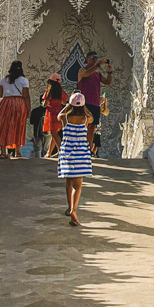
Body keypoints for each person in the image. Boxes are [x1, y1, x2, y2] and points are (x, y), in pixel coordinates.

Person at [57, 92, 93, 225]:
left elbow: (58, 115)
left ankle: (69, 207)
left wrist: (67, 106)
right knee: (78, 185)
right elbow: (92, 117)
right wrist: (85, 107)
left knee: (69, 182)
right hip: (81, 154)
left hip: (67, 153)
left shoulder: (65, 118)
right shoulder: (85, 119)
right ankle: (74, 209)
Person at [0, 60, 30, 159]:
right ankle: (18, 152)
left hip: (6, 103)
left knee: (4, 126)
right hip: (19, 103)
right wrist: (28, 110)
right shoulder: (23, 80)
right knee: (18, 125)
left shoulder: (4, 80)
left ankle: (3, 152)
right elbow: (25, 95)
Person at [77, 53, 112, 155]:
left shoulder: (97, 74)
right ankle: (79, 147)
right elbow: (86, 74)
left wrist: (109, 72)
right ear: (87, 59)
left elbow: (108, 82)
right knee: (83, 126)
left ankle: (87, 148)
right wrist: (98, 65)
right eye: (92, 58)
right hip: (84, 103)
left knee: (92, 127)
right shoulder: (82, 71)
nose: (94, 60)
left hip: (95, 104)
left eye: (96, 58)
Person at [41, 74, 68, 158]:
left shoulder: (49, 91)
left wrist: (43, 104)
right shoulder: (61, 91)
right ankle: (49, 153)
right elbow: (64, 102)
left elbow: (45, 104)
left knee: (53, 133)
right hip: (59, 111)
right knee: (55, 133)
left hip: (51, 112)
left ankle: (61, 151)